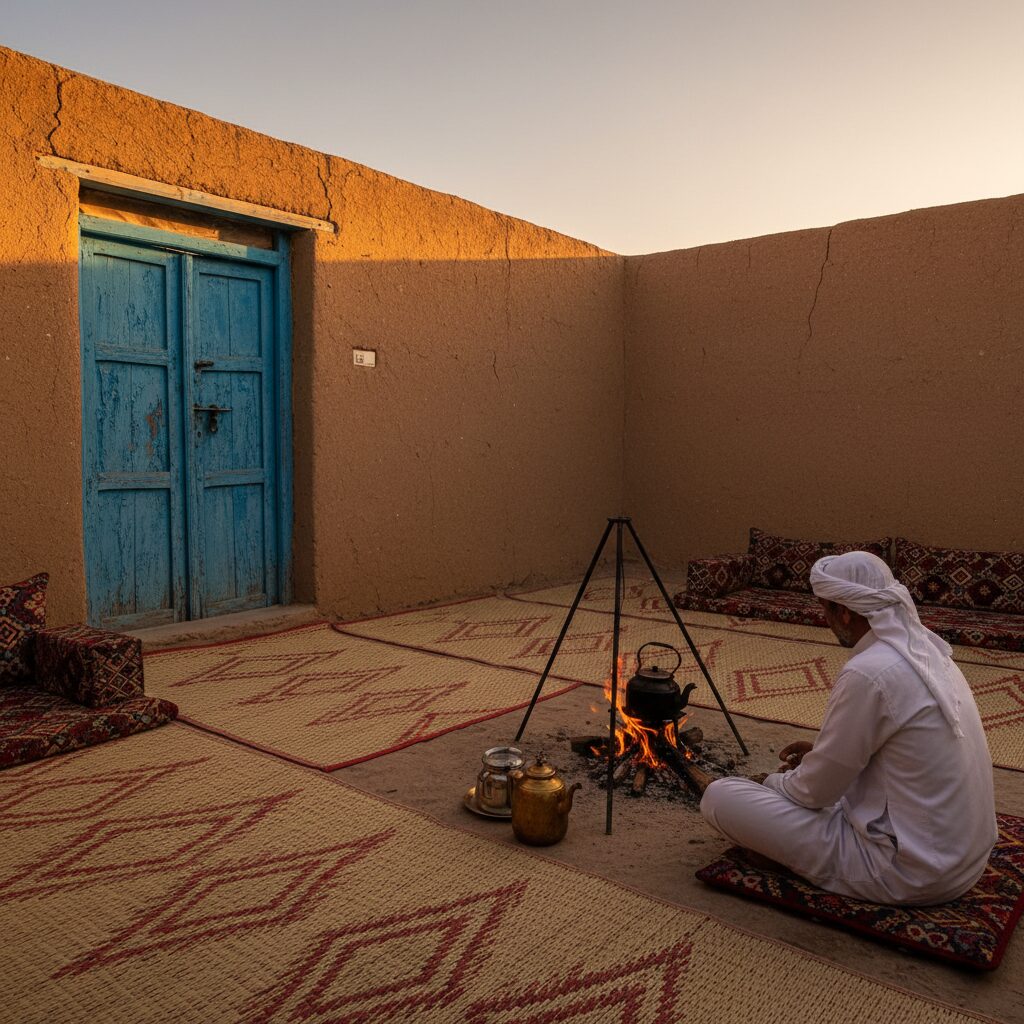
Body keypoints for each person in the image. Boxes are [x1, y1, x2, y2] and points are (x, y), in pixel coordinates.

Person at [700, 549, 998, 905]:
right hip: (966, 860)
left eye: (825, 610)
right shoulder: (931, 653)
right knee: (821, 788)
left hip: (909, 872)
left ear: (842, 612)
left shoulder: (870, 671)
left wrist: (770, 783)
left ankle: (790, 859)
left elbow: (813, 794)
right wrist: (821, 756)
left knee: (721, 797)